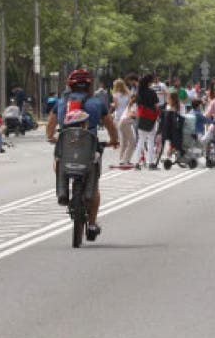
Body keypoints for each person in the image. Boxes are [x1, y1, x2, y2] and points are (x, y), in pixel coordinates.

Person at [45, 68, 119, 240]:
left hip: (66, 148)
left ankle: (63, 193)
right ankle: (92, 225)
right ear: (89, 85)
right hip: (90, 149)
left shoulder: (61, 102)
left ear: (70, 85)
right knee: (94, 186)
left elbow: (50, 125)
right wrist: (114, 141)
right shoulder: (97, 103)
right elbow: (110, 127)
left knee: (59, 162)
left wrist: (51, 137)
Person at [133, 74, 160, 170]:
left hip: (141, 119)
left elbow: (137, 106)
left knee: (140, 141)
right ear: (149, 82)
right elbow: (157, 106)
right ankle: (150, 163)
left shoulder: (139, 92)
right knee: (151, 141)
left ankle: (136, 163)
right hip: (151, 119)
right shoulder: (152, 92)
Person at [111, 78, 135, 168]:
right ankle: (124, 159)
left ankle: (122, 159)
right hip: (126, 115)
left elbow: (116, 106)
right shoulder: (128, 94)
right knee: (126, 139)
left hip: (118, 117)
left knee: (122, 139)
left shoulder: (115, 95)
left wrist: (112, 105)